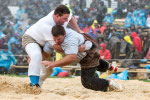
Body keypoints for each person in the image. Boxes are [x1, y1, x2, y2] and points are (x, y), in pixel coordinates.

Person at [42, 25, 122, 92]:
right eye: (54, 39)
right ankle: (110, 67)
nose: (56, 41)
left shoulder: (70, 41)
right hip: (87, 50)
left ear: (64, 34)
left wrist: (53, 64)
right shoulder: (52, 38)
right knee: (96, 63)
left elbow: (71, 59)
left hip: (89, 52)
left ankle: (110, 83)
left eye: (59, 39)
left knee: (87, 82)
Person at [22, 5, 83, 87]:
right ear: (57, 16)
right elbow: (57, 47)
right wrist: (77, 49)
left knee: (48, 70)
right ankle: (33, 84)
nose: (66, 21)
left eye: (66, 18)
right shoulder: (47, 26)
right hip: (32, 39)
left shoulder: (59, 14)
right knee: (36, 55)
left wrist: (79, 31)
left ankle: (37, 85)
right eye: (64, 19)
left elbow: (70, 18)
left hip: (46, 43)